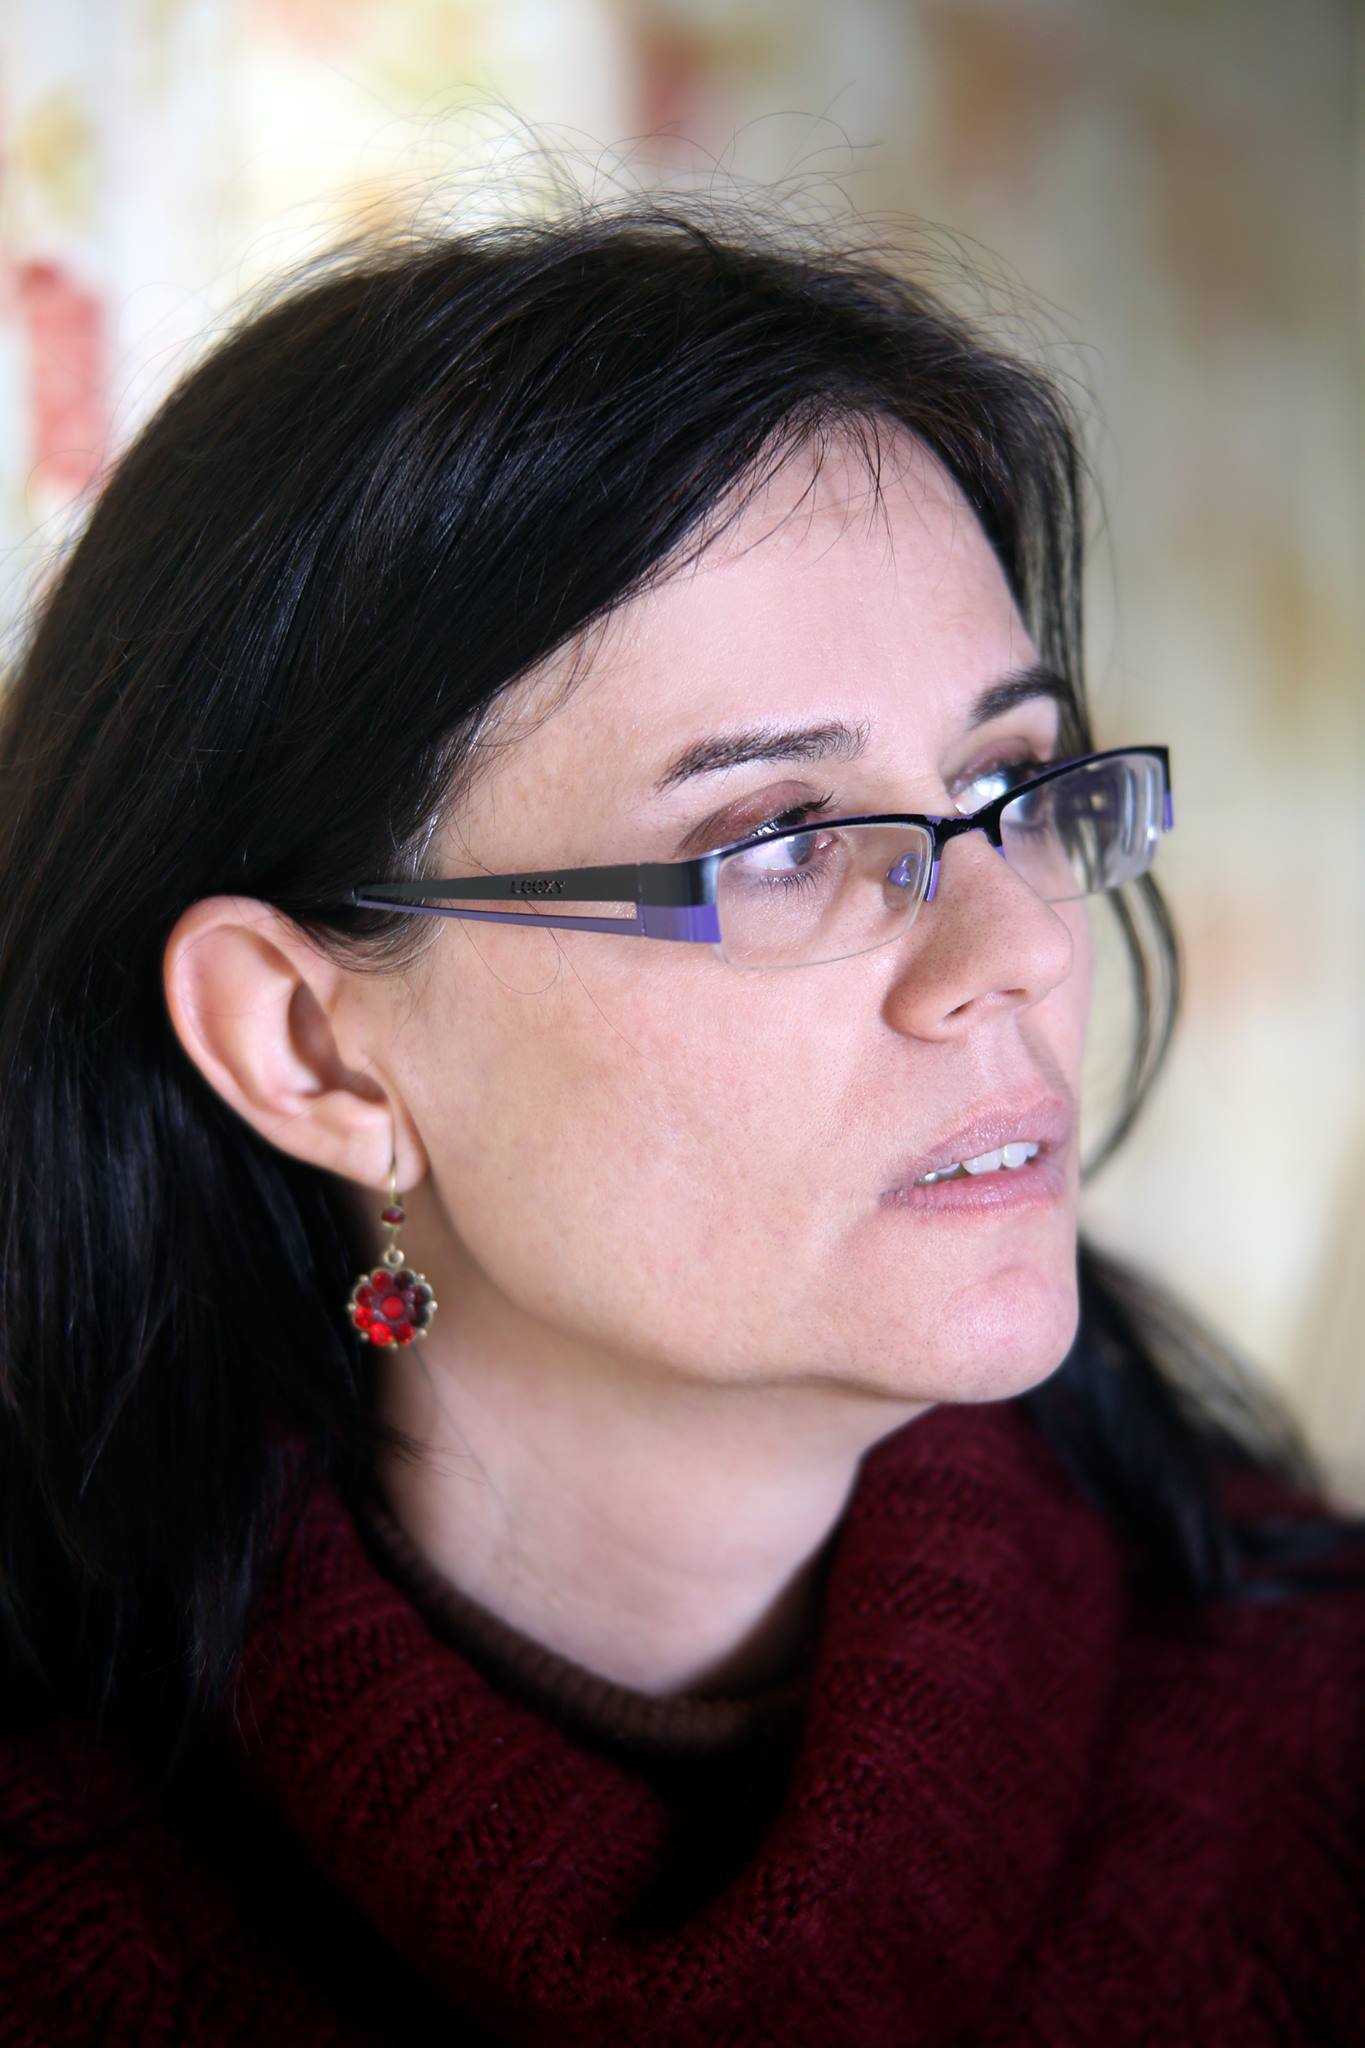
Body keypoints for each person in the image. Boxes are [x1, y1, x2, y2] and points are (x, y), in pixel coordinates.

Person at [1, 190, 1362, 2048]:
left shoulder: (1317, 1759)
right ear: (312, 1050)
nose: (1017, 948)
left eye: (1007, 780)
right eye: (780, 838)